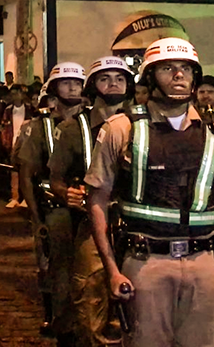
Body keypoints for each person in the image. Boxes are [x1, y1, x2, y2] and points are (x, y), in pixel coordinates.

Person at [86, 38, 214, 347]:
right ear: (149, 77)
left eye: (186, 68)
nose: (179, 75)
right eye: (168, 68)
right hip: (145, 262)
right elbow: (97, 201)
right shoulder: (122, 128)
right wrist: (112, 270)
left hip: (203, 261)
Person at [49, 56, 134, 347]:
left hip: (136, 223)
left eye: (120, 79)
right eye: (105, 78)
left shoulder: (142, 125)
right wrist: (65, 194)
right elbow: (54, 177)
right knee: (89, 294)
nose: (113, 84)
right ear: (93, 86)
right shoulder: (74, 128)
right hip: (90, 220)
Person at [16, 62, 86, 340]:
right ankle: (57, 321)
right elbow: (26, 173)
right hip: (53, 210)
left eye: (78, 83)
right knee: (54, 269)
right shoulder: (39, 126)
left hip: (85, 208)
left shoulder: (90, 124)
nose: (73, 87)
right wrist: (36, 217)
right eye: (66, 83)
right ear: (54, 89)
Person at [1, 85, 33, 208]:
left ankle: (26, 198)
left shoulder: (29, 109)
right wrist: (6, 141)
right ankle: (15, 197)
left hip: (26, 142)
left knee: (26, 171)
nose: (15, 96)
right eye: (13, 94)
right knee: (14, 171)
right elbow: (4, 126)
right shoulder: (8, 110)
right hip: (13, 141)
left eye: (17, 93)